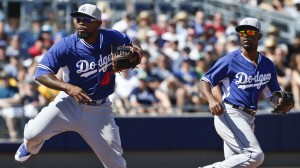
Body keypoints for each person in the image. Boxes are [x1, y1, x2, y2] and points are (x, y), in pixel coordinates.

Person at [14, 4, 141, 168]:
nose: (81, 23)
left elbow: (134, 44)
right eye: (78, 19)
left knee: (116, 164)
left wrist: (137, 53)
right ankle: (29, 147)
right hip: (69, 103)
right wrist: (68, 87)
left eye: (87, 20)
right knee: (31, 134)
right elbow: (41, 74)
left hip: (100, 110)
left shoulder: (111, 37)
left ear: (98, 23)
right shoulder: (66, 45)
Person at [199, 17, 285, 167]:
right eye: (242, 32)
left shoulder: (267, 64)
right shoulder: (230, 60)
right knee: (255, 155)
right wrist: (211, 100)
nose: (245, 35)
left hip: (249, 118)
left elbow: (273, 94)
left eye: (250, 31)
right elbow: (205, 81)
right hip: (230, 113)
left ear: (259, 36)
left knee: (238, 162)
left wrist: (282, 102)